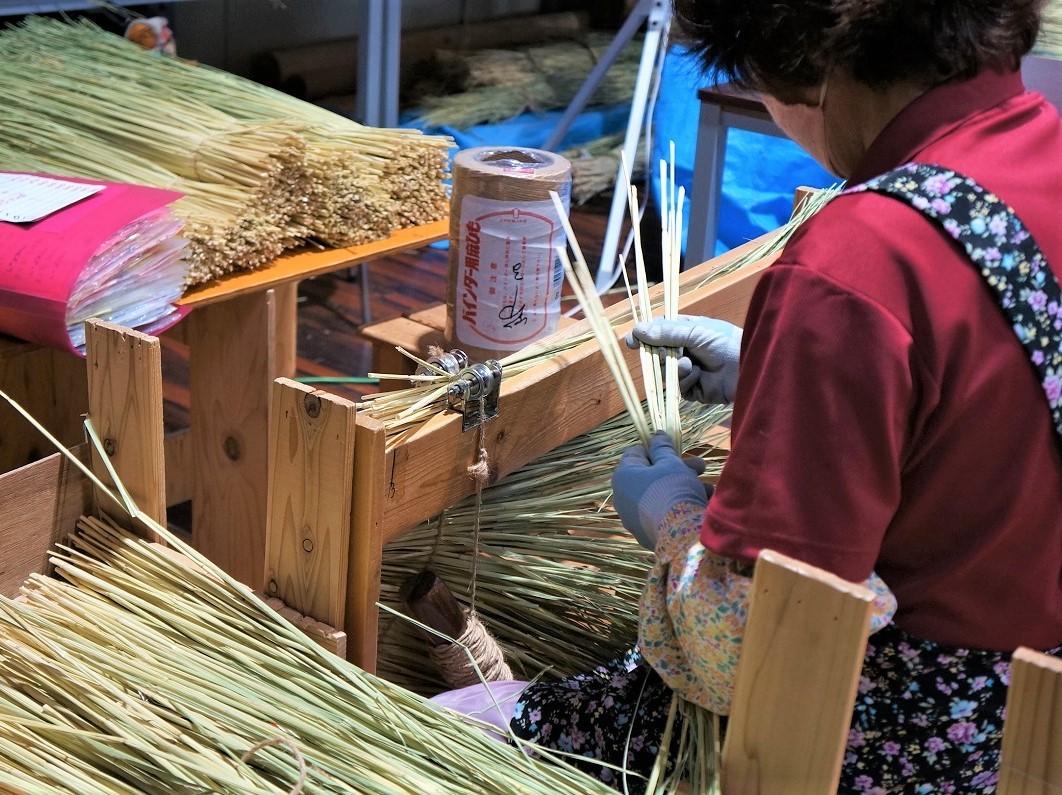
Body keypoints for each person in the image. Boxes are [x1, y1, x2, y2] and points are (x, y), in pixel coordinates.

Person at [434, 0, 1062, 791]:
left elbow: (759, 642)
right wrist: (775, 375)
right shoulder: (1045, 150)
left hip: (861, 739)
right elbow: (982, 422)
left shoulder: (859, 264)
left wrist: (671, 516)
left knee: (458, 722)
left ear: (804, 59)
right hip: (1017, 731)